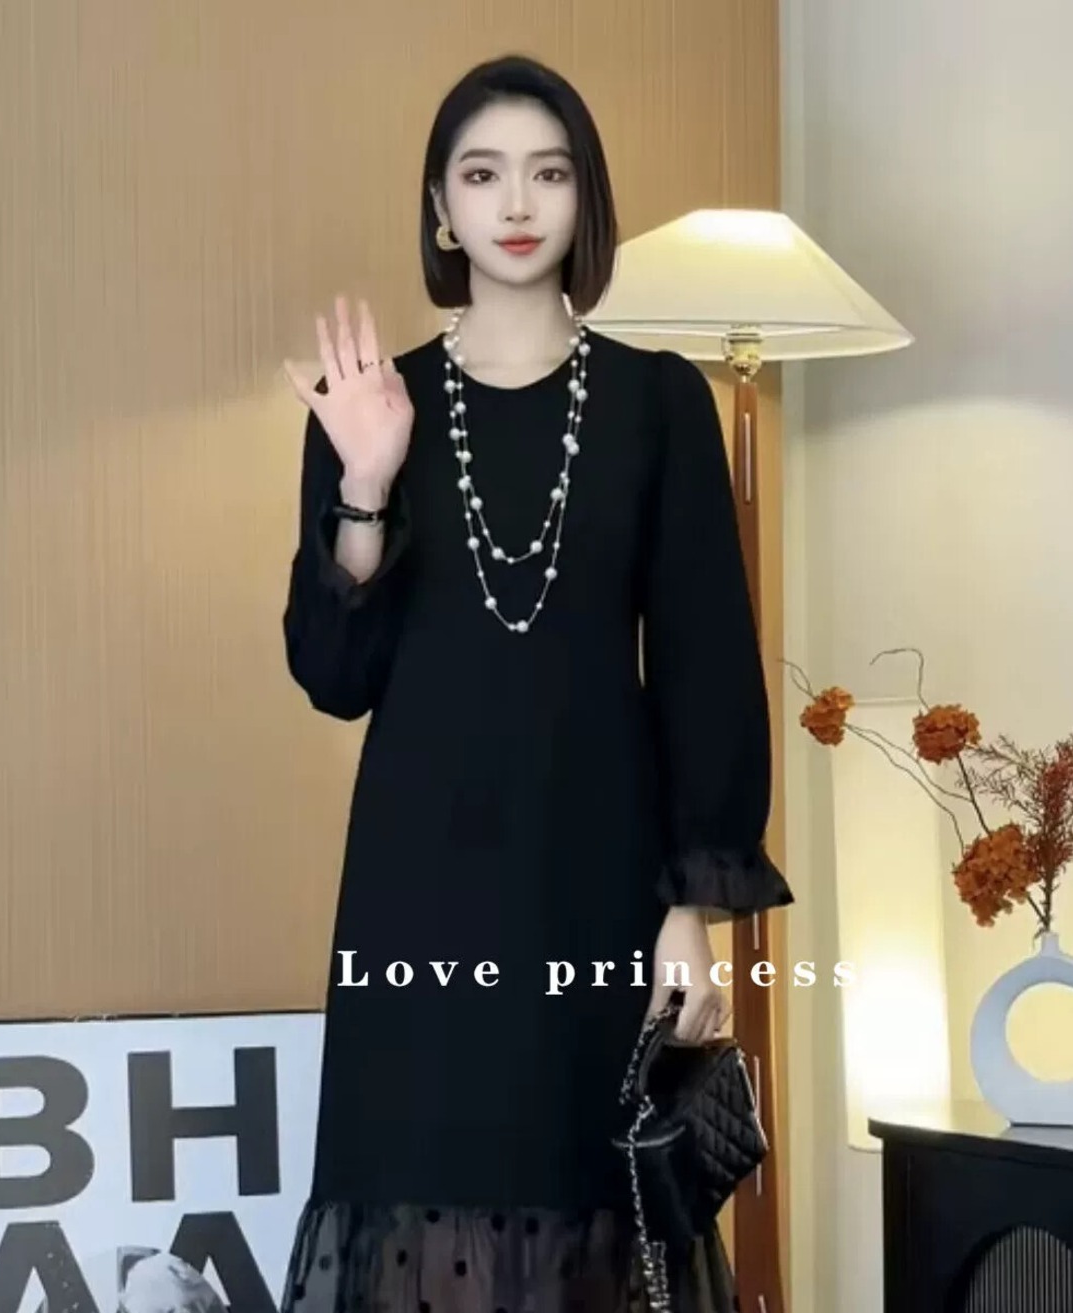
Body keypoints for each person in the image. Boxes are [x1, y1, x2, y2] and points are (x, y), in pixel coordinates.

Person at [276, 52, 793, 1313]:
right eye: (482, 174)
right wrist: (364, 482)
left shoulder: (659, 401)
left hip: (599, 881)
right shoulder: (369, 404)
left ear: (584, 198)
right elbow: (334, 675)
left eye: (547, 173)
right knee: (415, 1195)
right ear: (439, 208)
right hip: (416, 887)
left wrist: (691, 907)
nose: (516, 203)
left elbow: (705, 668)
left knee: (598, 1208)